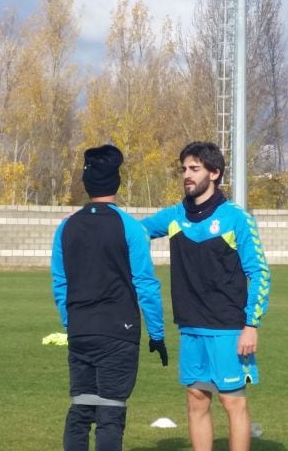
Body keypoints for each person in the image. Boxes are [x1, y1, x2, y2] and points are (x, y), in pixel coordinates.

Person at [141, 141, 271, 451]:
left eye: (194, 169)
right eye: (184, 168)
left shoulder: (236, 218)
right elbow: (135, 231)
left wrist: (251, 324)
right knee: (196, 399)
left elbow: (260, 273)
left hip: (228, 328)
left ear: (214, 173)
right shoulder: (173, 216)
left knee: (232, 402)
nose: (186, 174)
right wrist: (96, 221)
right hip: (191, 327)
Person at [51, 144, 168, 451]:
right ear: (116, 182)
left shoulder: (66, 227)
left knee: (80, 409)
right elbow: (145, 283)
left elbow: (59, 283)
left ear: (86, 183)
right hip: (118, 332)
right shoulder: (130, 227)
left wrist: (71, 322)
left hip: (81, 331)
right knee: (110, 413)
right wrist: (157, 333)